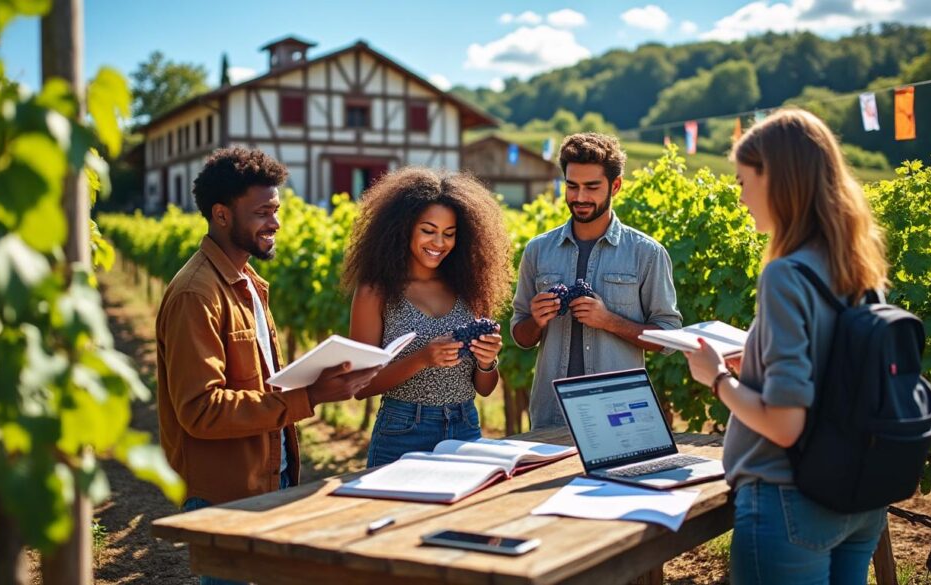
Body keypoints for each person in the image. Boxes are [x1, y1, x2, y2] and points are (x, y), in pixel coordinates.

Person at [156, 147, 380, 585]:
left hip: (264, 476)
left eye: (276, 210)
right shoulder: (196, 295)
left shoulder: (248, 284)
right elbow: (201, 409)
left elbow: (256, 381)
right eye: (263, 212)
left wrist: (316, 376)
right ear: (221, 215)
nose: (275, 223)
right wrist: (310, 396)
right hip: (224, 493)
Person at [684, 109, 890, 584]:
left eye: (743, 181)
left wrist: (718, 377)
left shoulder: (786, 274)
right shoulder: (858, 268)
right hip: (859, 498)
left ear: (777, 179)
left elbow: (785, 424)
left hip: (791, 497)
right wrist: (755, 365)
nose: (740, 197)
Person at [510, 132, 683, 428]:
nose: (579, 197)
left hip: (620, 414)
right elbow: (521, 336)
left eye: (592, 187)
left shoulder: (647, 253)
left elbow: (669, 338)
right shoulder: (538, 250)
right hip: (552, 413)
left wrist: (608, 320)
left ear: (615, 186)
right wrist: (536, 320)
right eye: (572, 186)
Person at [344, 168, 511, 467]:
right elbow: (359, 387)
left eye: (449, 234)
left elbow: (484, 389)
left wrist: (487, 361)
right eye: (428, 230)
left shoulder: (471, 288)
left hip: (465, 427)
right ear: (404, 227)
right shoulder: (376, 291)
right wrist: (422, 358)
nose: (439, 243)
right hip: (403, 429)